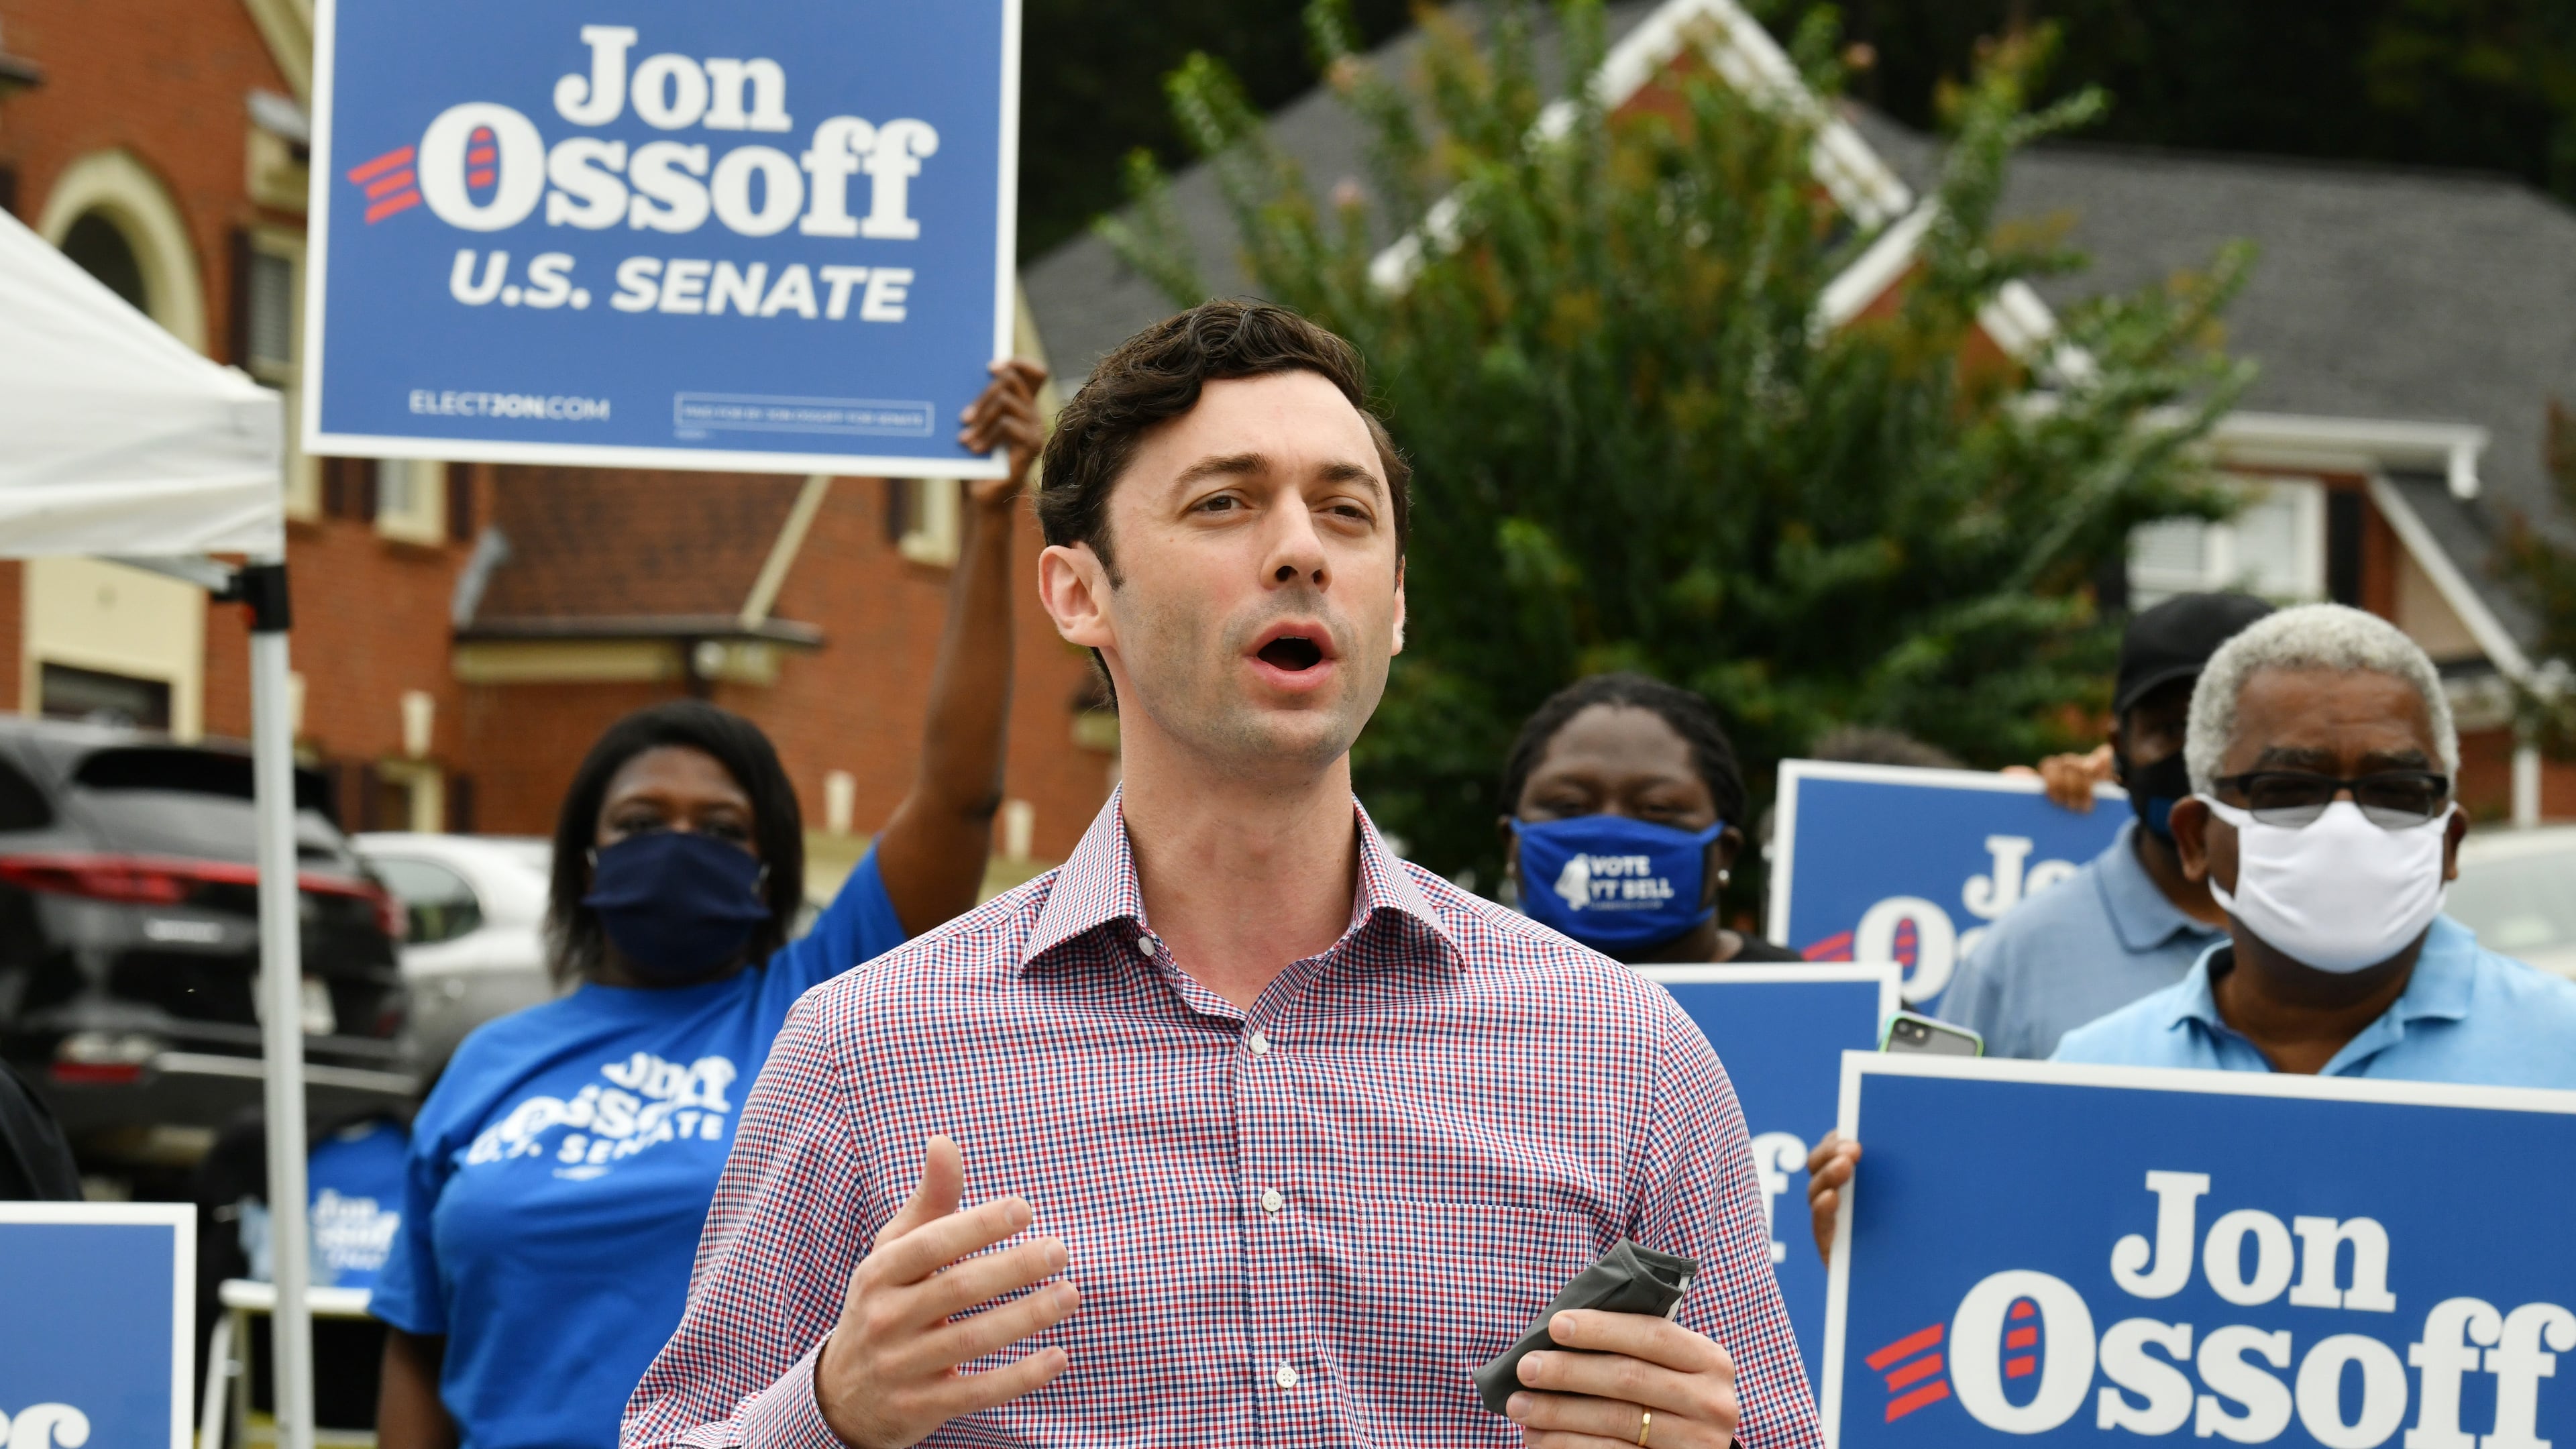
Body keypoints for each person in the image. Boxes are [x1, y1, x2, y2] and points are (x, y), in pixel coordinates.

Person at [621, 302, 1817, 1449]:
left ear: (1394, 607)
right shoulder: (864, 1052)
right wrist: (831, 1410)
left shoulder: (1628, 1057)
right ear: (1078, 592)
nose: (1298, 549)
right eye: (1226, 502)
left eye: (1346, 514)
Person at [370, 360, 1048, 1449]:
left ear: (772, 872)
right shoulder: (485, 1069)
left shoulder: (820, 1003)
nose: (679, 843)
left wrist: (987, 523)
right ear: (584, 864)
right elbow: (419, 1341)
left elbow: (962, 795)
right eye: (641, 824)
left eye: (723, 830)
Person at [1807, 602, 2576, 1264]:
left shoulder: (2561, 1054)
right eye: (2286, 788)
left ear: (2449, 840)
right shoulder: (2095, 1075)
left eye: (2398, 790)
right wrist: (1892, 1256)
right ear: (2196, 837)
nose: (2346, 826)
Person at [1931, 592, 2273, 1059]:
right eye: (2172, 730)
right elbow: (1934, 1123)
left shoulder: (2356, 942)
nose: (2197, 760)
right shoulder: (2017, 959)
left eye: (2228, 732)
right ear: (2118, 747)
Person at [1501, 671, 1797, 963]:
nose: (1610, 830)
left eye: (1657, 807)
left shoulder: (1804, 997)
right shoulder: (1467, 1001)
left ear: (1726, 852)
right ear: (1510, 843)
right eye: (1570, 805)